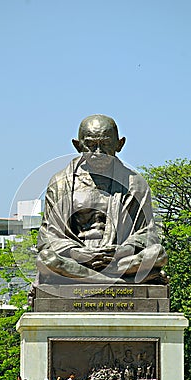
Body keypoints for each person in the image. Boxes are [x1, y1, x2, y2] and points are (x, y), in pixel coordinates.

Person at [33, 114, 168, 287]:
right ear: (77, 145)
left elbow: (148, 234)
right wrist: (81, 254)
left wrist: (120, 252)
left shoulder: (135, 183)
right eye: (90, 145)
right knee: (47, 259)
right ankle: (116, 282)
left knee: (157, 254)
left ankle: (89, 278)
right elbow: (48, 237)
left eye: (105, 144)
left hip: (118, 260)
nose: (98, 152)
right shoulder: (60, 183)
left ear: (119, 144)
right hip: (76, 259)